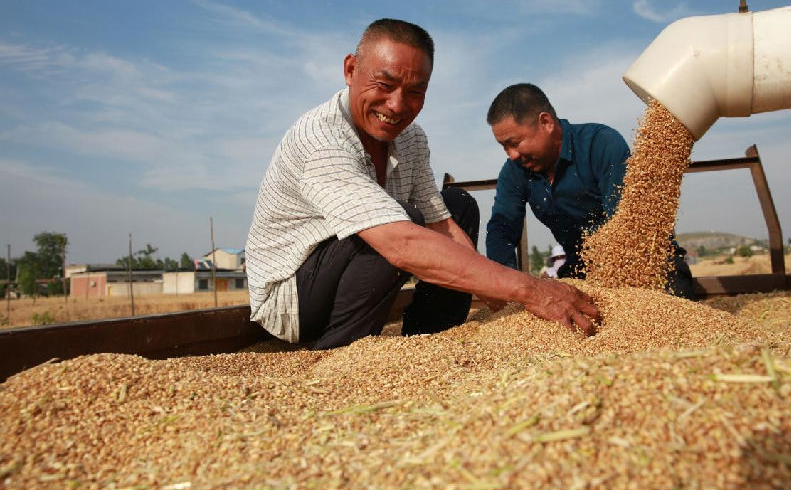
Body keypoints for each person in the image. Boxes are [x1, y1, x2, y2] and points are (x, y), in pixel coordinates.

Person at [245, 19, 600, 349]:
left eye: (415, 91)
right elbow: (399, 241)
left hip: (356, 268)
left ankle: (430, 340)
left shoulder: (411, 138)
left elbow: (441, 223)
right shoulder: (321, 140)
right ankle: (340, 350)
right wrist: (531, 290)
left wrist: (503, 300)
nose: (397, 105)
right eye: (384, 85)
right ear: (351, 70)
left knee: (458, 205)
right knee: (399, 221)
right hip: (292, 300)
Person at [485, 82, 694, 298]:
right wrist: (506, 287)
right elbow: (501, 230)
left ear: (546, 123)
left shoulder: (600, 144)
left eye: (514, 143)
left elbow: (627, 225)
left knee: (658, 308)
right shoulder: (515, 171)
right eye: (504, 147)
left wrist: (614, 281)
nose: (512, 155)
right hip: (582, 270)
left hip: (648, 263)